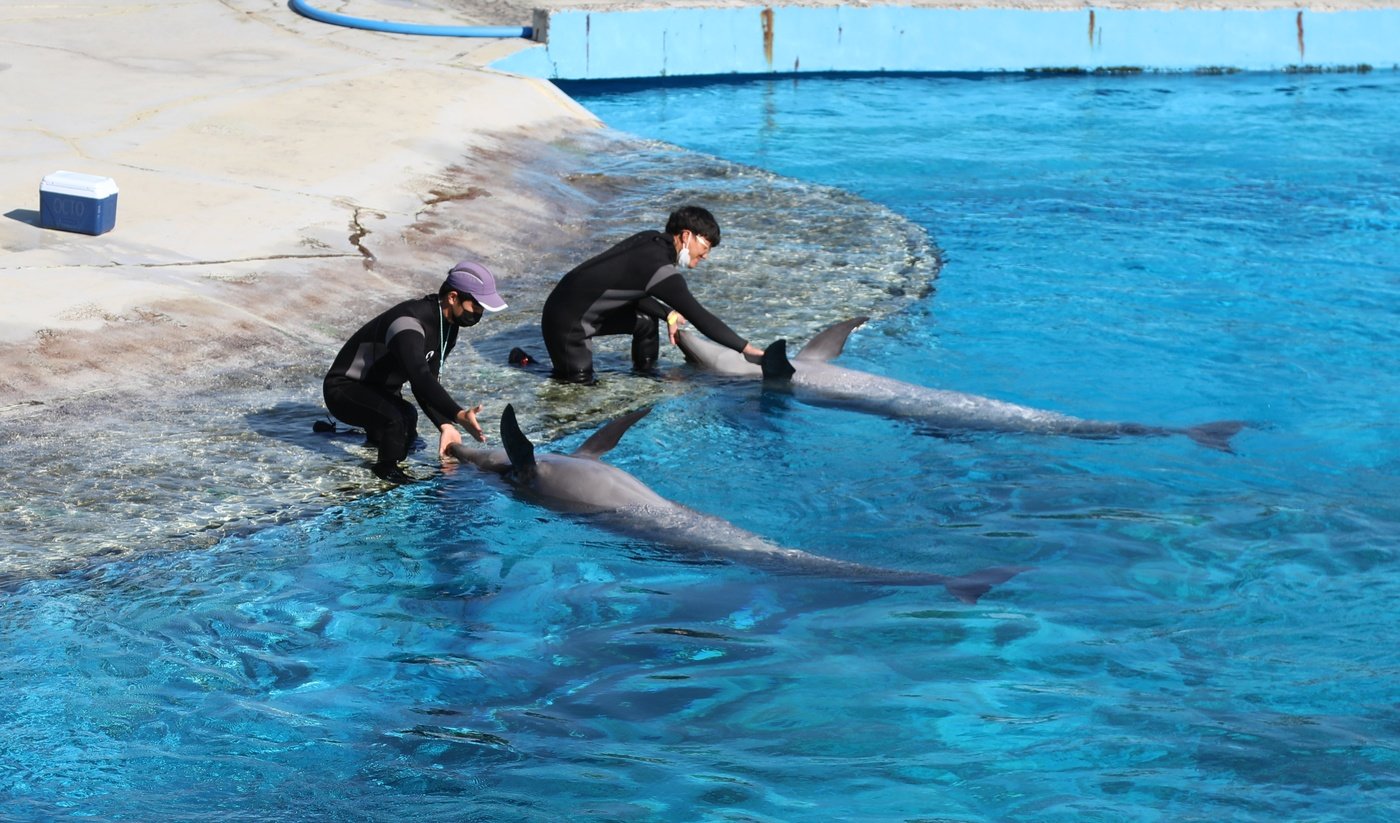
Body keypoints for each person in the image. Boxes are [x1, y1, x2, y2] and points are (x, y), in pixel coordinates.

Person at [323, 261, 507, 483]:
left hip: (382, 391)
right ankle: (385, 473)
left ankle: (376, 444)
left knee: (408, 434)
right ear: (453, 297)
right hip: (344, 389)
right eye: (476, 306)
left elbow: (427, 380)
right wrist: (457, 415)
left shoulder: (447, 326)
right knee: (399, 418)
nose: (479, 313)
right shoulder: (408, 323)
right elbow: (419, 375)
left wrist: (445, 425)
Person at [541, 205, 764, 384]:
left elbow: (631, 289)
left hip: (572, 306)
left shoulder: (649, 240)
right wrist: (746, 349)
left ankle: (645, 380)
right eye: (706, 246)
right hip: (568, 323)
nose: (706, 255)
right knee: (578, 387)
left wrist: (667, 313)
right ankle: (523, 362)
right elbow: (700, 317)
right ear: (686, 236)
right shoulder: (662, 271)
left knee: (646, 323)